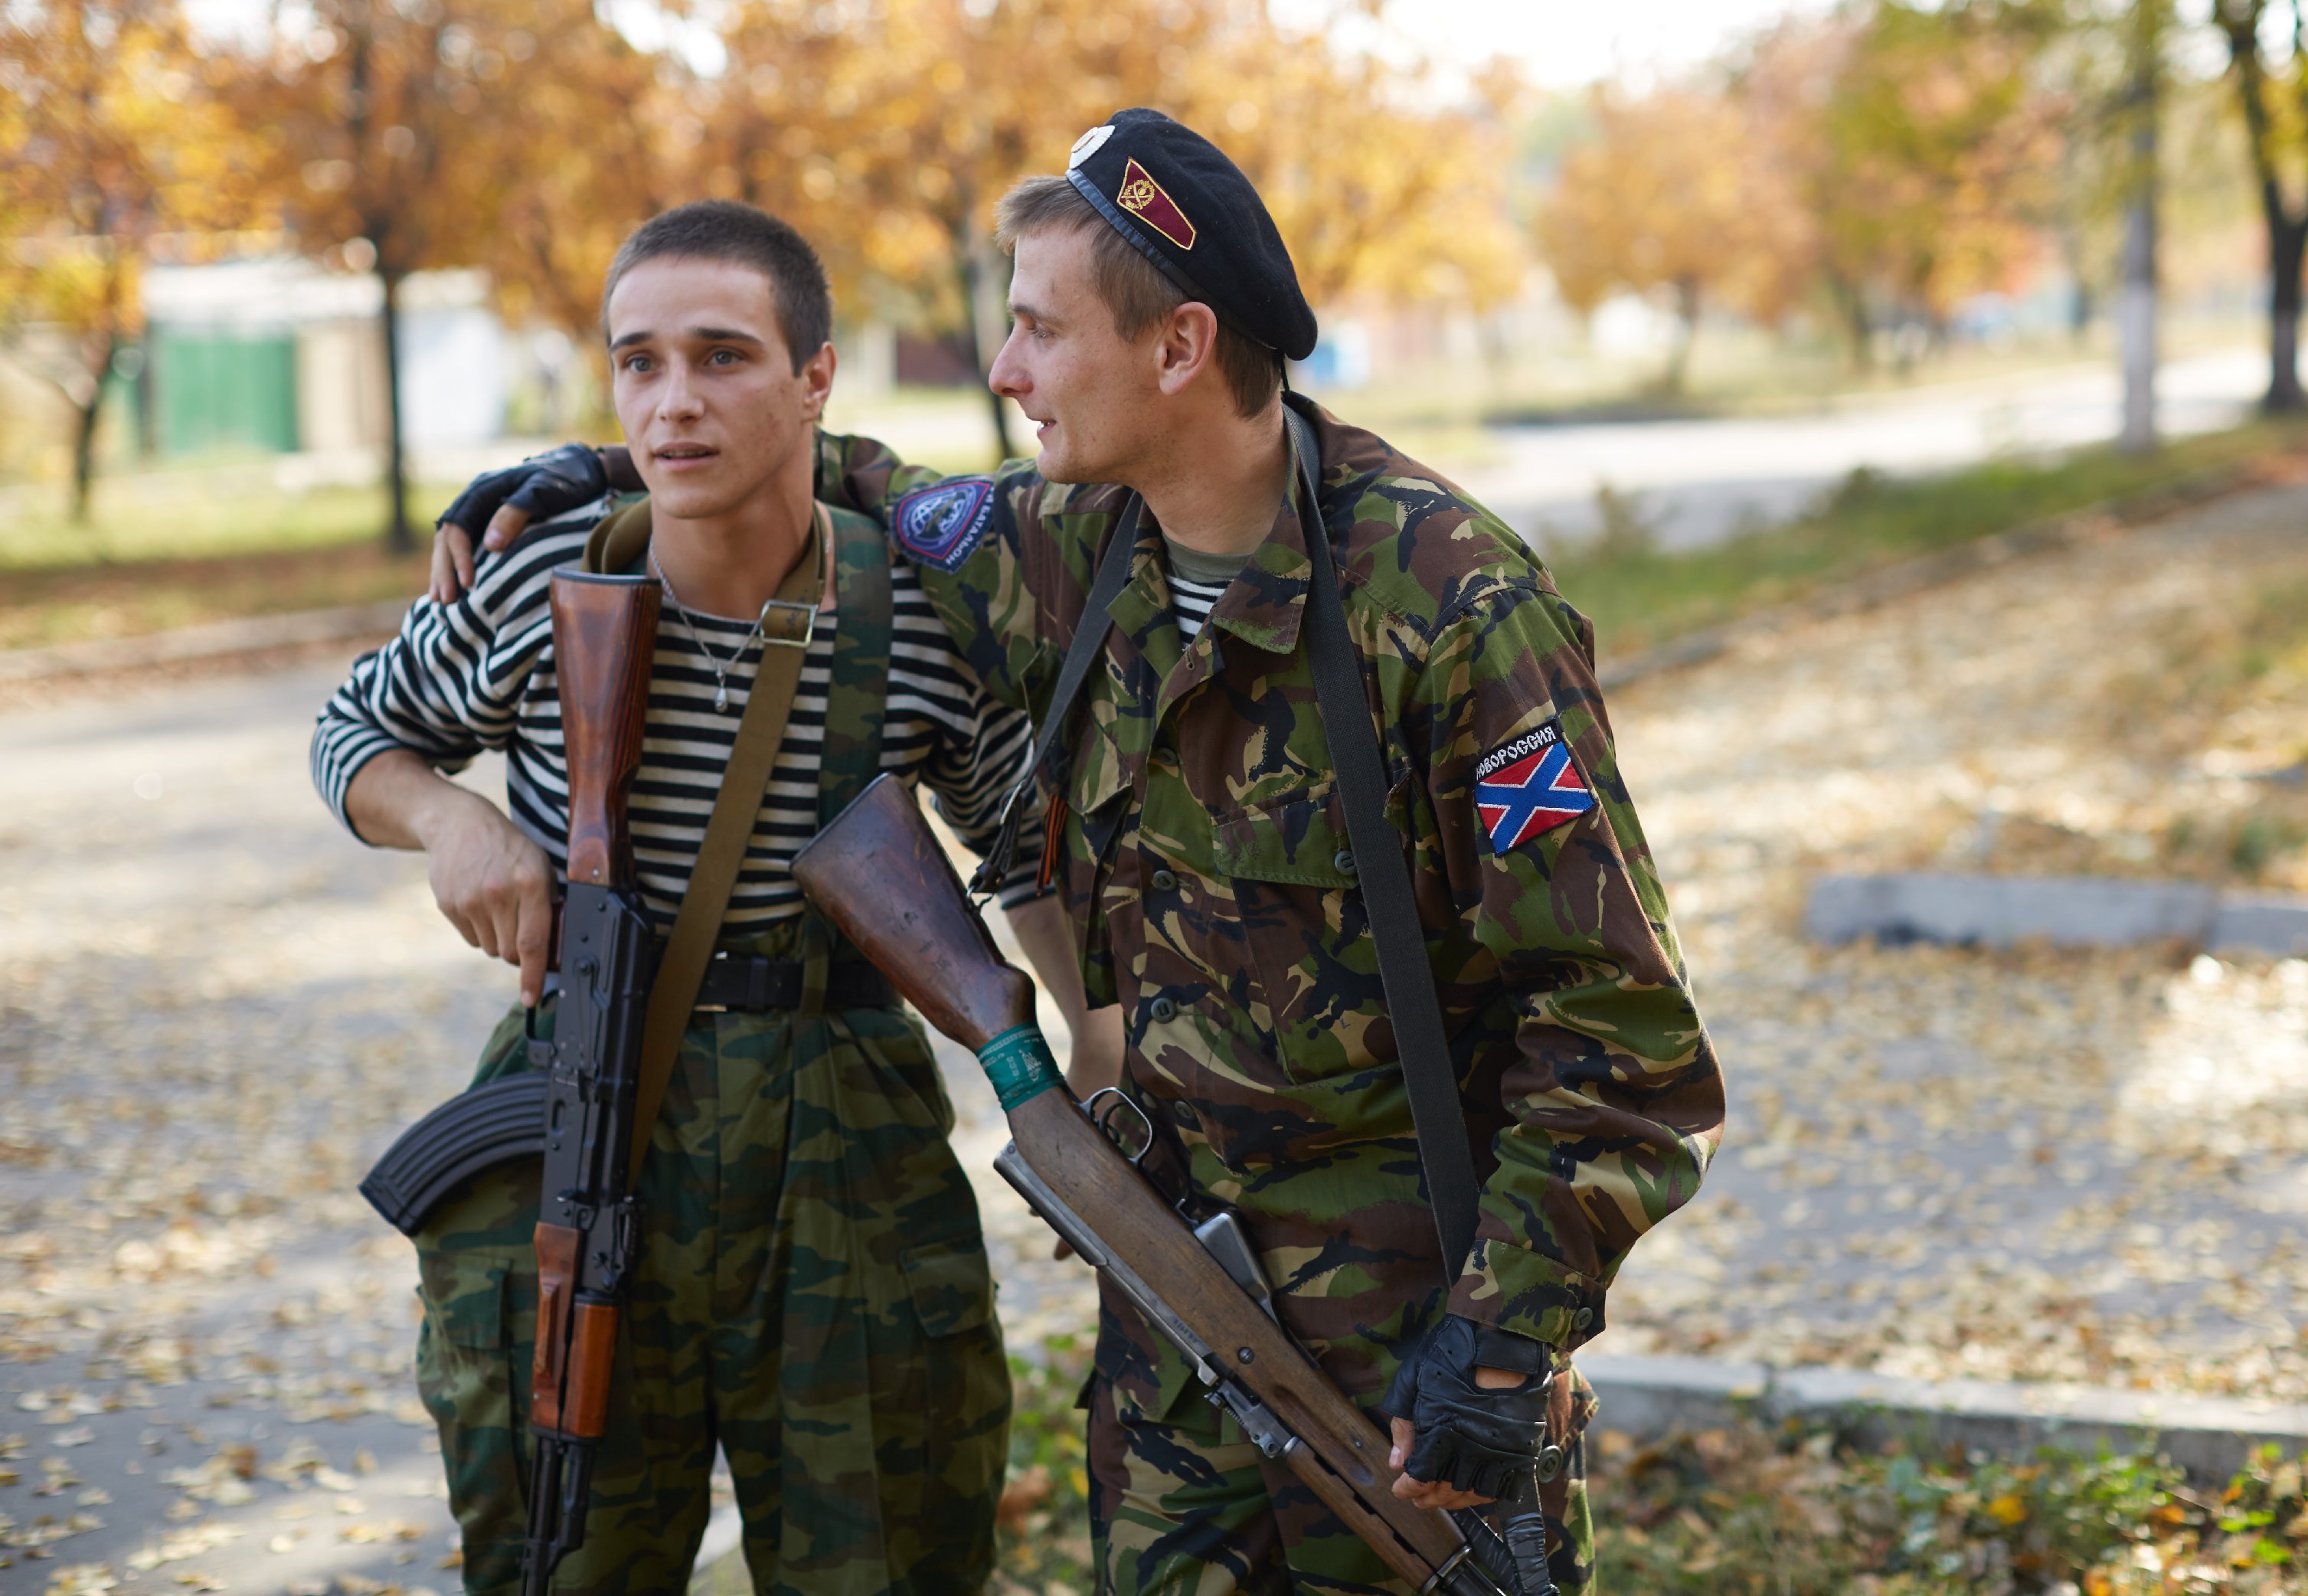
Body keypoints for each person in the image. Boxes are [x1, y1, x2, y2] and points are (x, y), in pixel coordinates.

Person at [430, 112, 1726, 1596]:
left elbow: (1617, 1031)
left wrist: (1500, 1350)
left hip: (1407, 1350)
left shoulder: (1448, 607)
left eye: (1039, 331)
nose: (1003, 372)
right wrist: (594, 463)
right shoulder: (1060, 548)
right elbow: (839, 470)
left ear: (1177, 350)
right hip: (1173, 1311)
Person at [317, 200, 1095, 1594]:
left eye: (724, 356)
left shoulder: (920, 614)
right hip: (581, 1113)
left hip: (844, 1135)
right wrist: (450, 820)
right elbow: (353, 734)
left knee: (891, 1553)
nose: (674, 402)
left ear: (816, 379)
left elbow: (1020, 848)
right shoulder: (543, 579)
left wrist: (1087, 1048)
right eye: (639, 362)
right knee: (566, 1550)